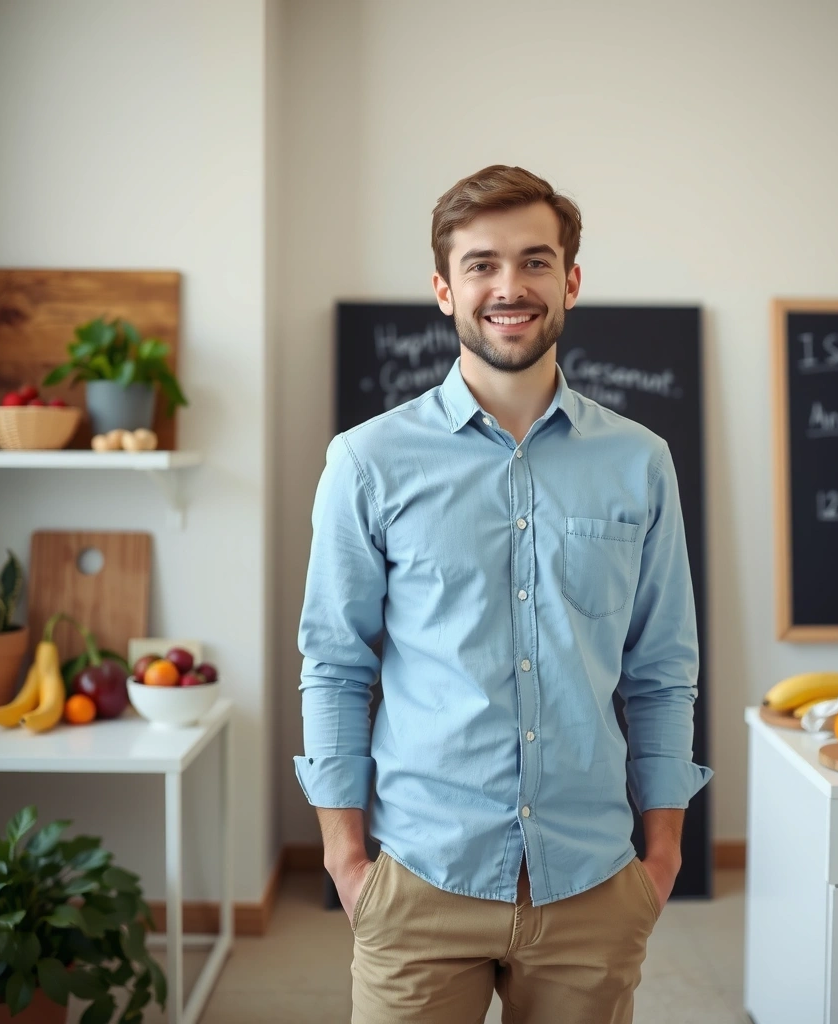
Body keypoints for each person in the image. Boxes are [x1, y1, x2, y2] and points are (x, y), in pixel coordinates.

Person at [294, 164, 713, 1024]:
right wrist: (346, 863)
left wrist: (661, 854)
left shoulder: (641, 462)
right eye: (481, 264)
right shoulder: (367, 462)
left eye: (534, 261)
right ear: (444, 289)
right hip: (420, 880)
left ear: (571, 281)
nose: (509, 287)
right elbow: (335, 664)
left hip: (592, 881)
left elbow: (662, 668)